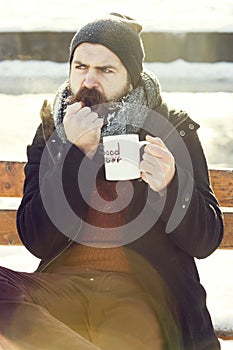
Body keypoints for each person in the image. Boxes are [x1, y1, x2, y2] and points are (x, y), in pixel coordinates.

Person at [0, 13, 223, 350]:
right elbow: (37, 240)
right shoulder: (53, 132)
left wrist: (170, 185)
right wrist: (76, 153)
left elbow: (205, 239)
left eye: (105, 70)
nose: (89, 81)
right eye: (80, 67)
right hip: (64, 288)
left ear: (130, 78)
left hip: (142, 295)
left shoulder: (171, 129)